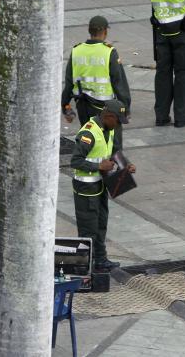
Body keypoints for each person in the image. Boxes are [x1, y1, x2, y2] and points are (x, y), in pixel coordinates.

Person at [71, 99, 136, 271]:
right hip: (86, 189)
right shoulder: (89, 133)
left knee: (101, 224)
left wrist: (125, 164)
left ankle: (100, 259)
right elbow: (75, 161)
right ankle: (85, 266)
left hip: (100, 186)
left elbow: (113, 151)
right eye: (118, 121)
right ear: (109, 116)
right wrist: (98, 166)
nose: (119, 125)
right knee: (88, 229)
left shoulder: (109, 129)